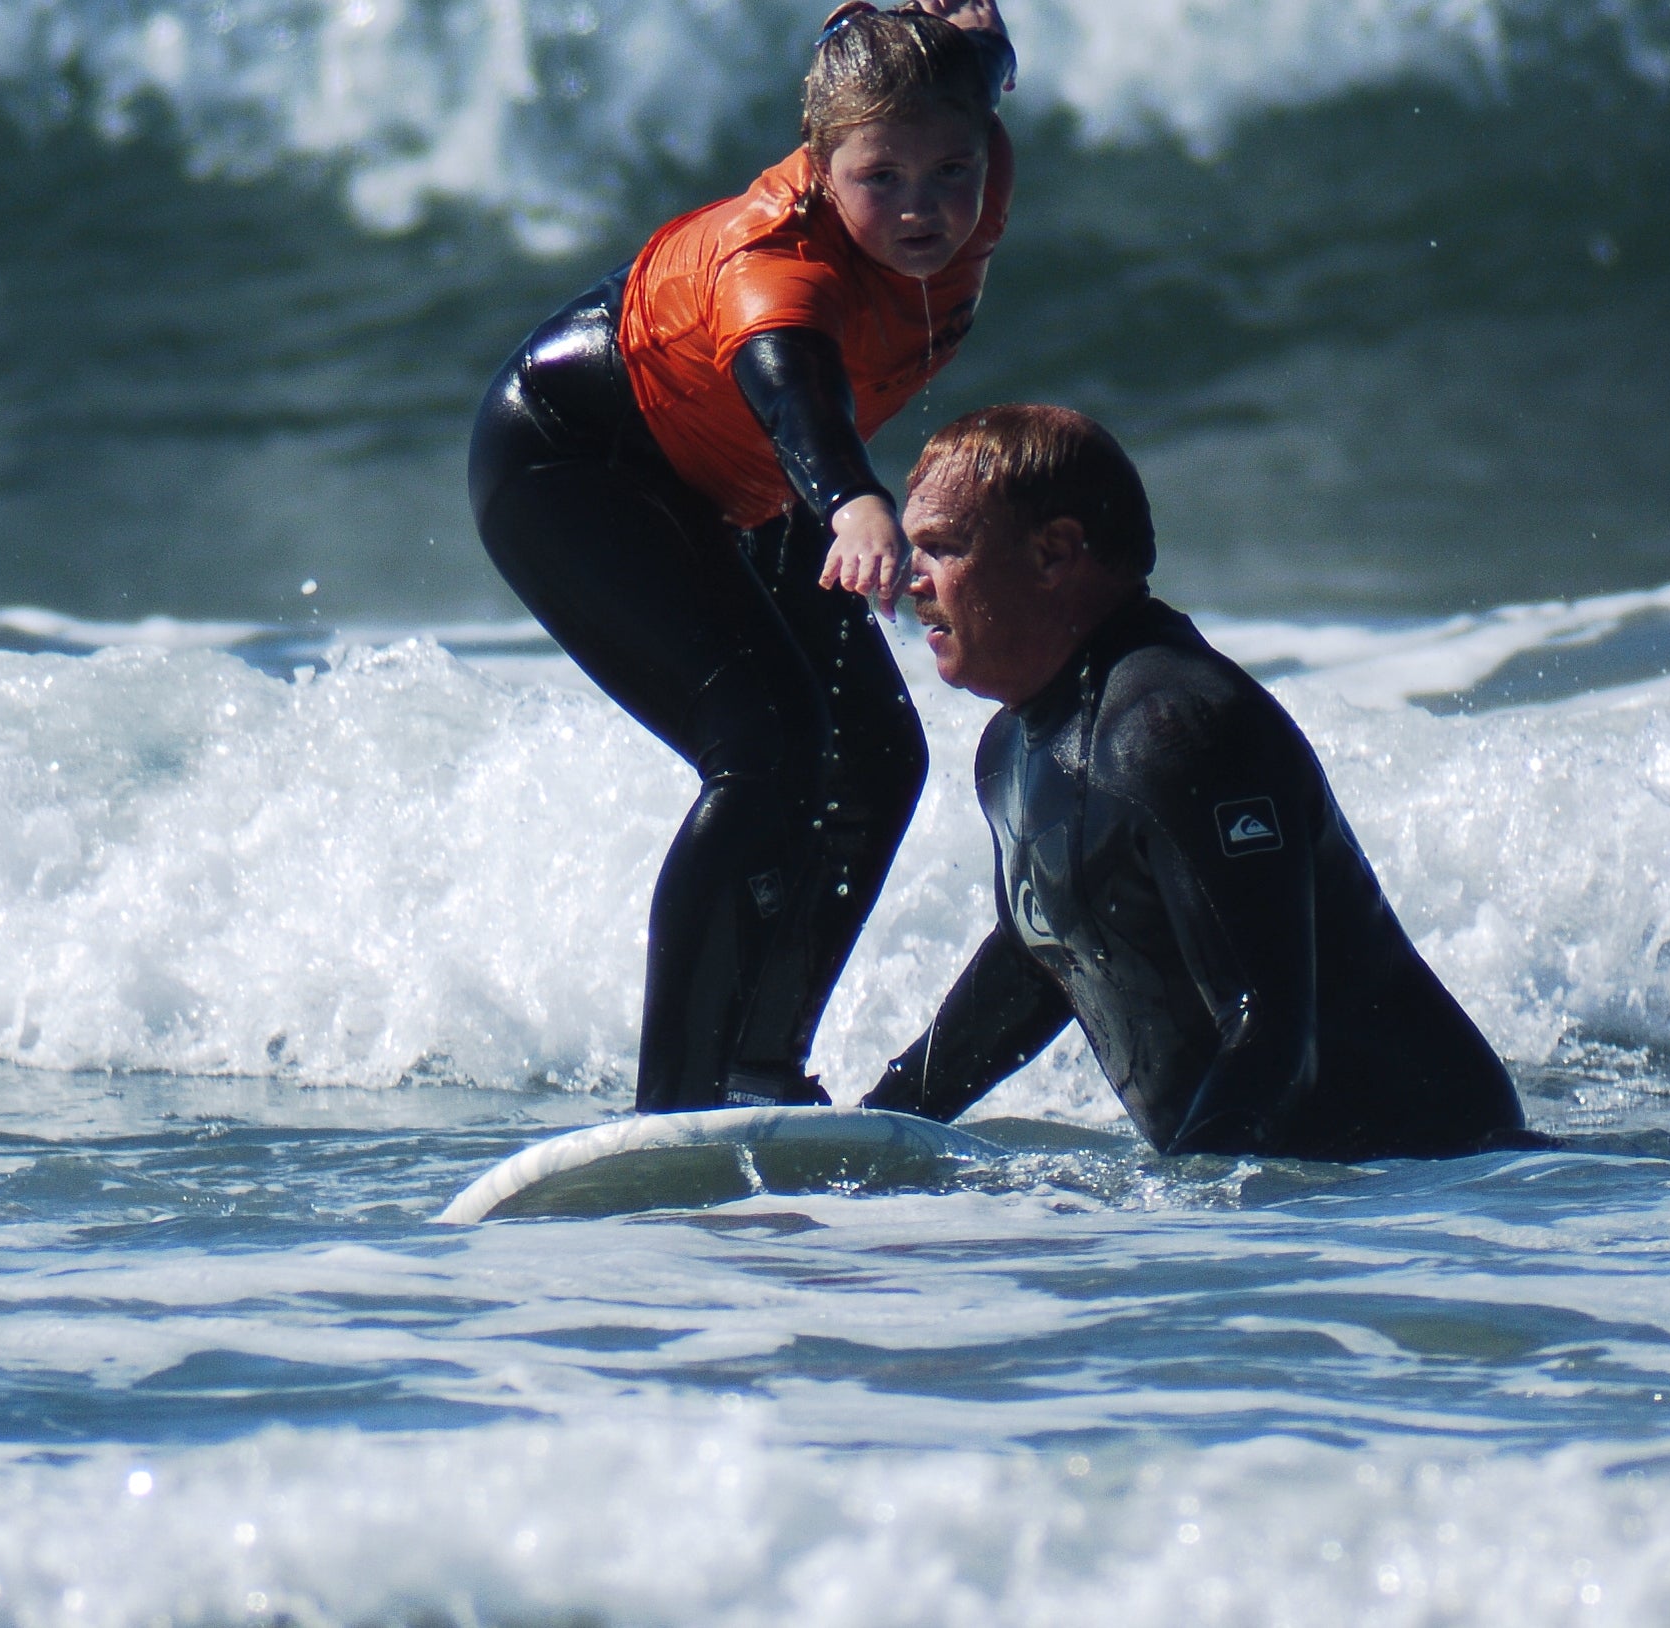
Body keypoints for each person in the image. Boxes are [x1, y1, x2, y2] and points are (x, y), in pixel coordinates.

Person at [469, 1, 1018, 1112]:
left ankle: (760, 1062)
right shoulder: (778, 265)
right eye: (881, 178)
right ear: (820, 166)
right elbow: (792, 391)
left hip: (736, 480)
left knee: (874, 757)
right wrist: (853, 499)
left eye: (949, 169)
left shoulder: (972, 151)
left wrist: (976, 35)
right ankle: (669, 1105)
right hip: (573, 463)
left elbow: (977, 73)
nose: (923, 205)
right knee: (762, 747)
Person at [864, 405, 1530, 1159]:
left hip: (1435, 1183)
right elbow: (1043, 960)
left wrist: (1196, 1215)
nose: (910, 579)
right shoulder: (1011, 748)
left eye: (942, 548)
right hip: (1302, 1207)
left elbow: (1271, 1028)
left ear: (1055, 553)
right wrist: (877, 1124)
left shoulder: (1176, 729)